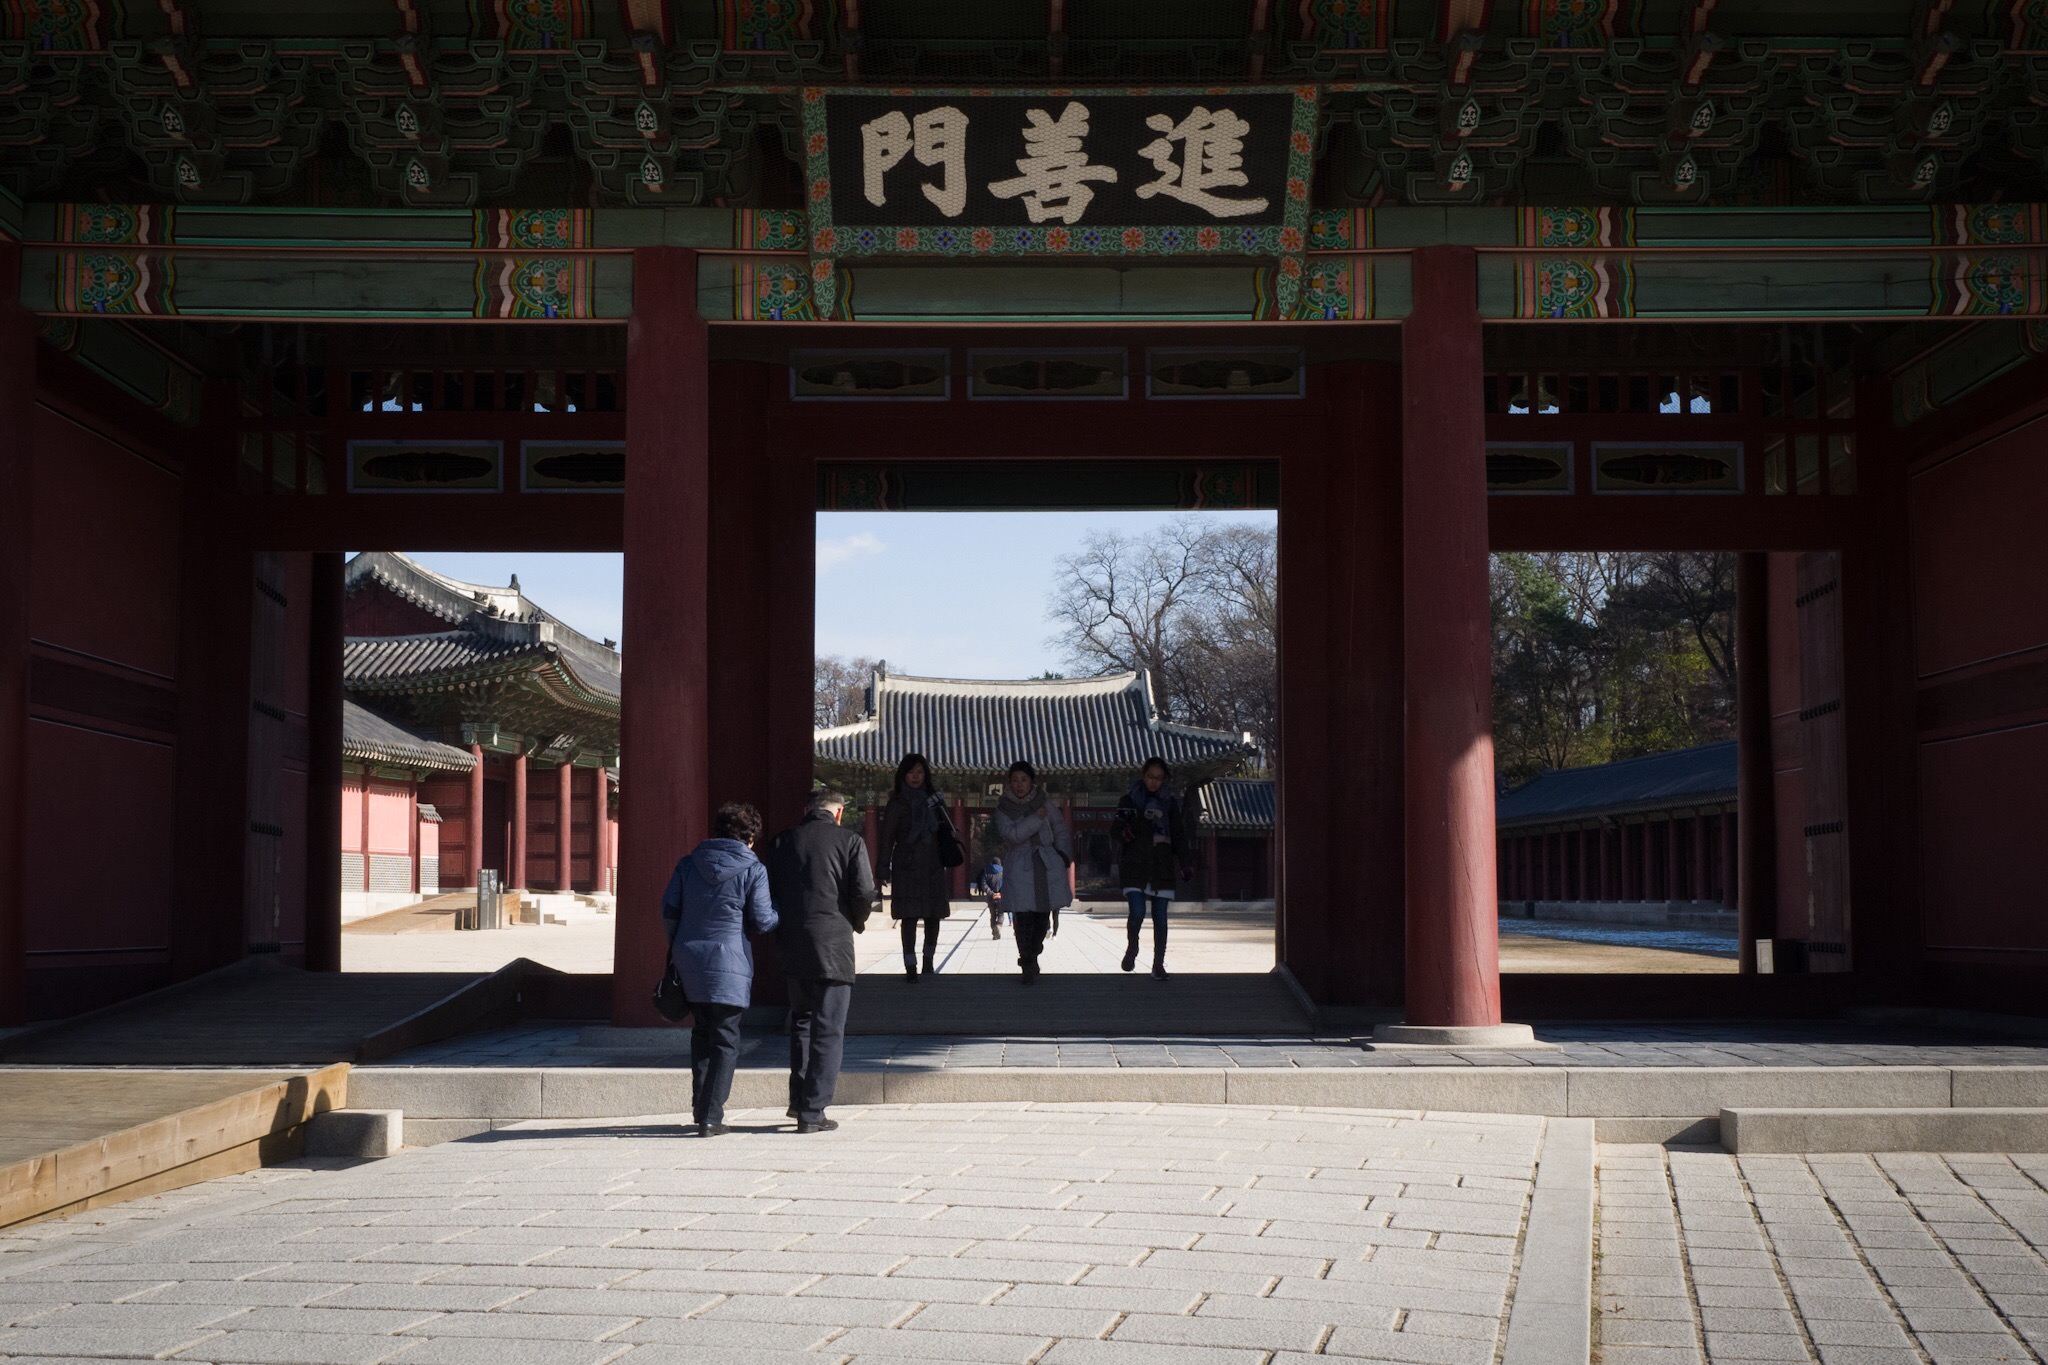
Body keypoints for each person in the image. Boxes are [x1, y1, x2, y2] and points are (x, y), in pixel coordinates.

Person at [660, 801, 778, 1137]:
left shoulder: (688, 864)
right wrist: (781, 913)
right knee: (726, 1038)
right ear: (750, 838)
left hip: (689, 957)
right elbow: (763, 920)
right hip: (729, 960)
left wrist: (679, 944)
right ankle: (712, 1116)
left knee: (701, 1032)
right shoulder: (753, 869)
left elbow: (669, 910)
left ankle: (701, 1109)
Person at [765, 787, 876, 1134]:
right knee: (828, 1026)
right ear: (838, 813)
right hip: (833, 944)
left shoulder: (781, 842)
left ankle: (799, 1100)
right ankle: (813, 1110)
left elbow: (769, 892)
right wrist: (855, 921)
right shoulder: (850, 841)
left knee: (801, 1020)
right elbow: (865, 891)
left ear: (806, 809)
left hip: (792, 941)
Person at [1113, 756, 1195, 980]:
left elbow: (1178, 834)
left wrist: (1185, 863)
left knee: (1160, 917)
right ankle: (1133, 946)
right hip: (1135, 863)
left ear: (1164, 779)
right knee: (1137, 911)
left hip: (1161, 864)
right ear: (1143, 775)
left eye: (1158, 778)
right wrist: (1128, 831)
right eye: (1150, 777)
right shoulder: (1128, 800)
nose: (1153, 782)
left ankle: (1158, 964)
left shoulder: (1170, 804)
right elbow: (1115, 830)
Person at [878, 753, 957, 982]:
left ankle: (928, 961)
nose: (915, 776)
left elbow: (946, 829)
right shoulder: (897, 803)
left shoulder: (935, 800)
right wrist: (883, 867)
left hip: (933, 864)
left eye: (920, 772)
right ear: (903, 775)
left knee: (933, 916)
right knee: (909, 917)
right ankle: (910, 964)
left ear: (926, 775)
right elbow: (887, 838)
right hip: (907, 865)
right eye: (911, 772)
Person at [992, 761, 1072, 982]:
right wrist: (1037, 818)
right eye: (1015, 780)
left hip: (1046, 864)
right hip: (1020, 865)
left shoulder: (1045, 802)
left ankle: (1033, 953)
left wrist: (1064, 855)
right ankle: (1026, 961)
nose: (1019, 785)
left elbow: (1059, 829)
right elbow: (1013, 835)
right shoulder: (1004, 808)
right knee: (1023, 917)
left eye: (1024, 780)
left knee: (1041, 917)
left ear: (1032, 782)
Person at [983, 856, 1005, 938]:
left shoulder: (986, 871)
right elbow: (1006, 883)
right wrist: (1000, 893)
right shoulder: (1003, 871)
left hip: (990, 897)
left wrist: (992, 894)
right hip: (1001, 897)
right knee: (1001, 913)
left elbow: (984, 884)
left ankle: (994, 932)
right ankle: (998, 926)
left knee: (993, 915)